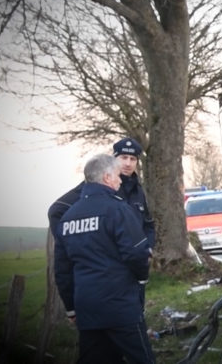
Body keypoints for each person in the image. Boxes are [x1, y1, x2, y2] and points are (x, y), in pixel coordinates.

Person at [53, 154, 155, 363]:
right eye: (117, 176)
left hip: (87, 308)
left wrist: (71, 307)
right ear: (107, 177)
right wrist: (142, 278)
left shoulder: (68, 218)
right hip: (121, 306)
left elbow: (62, 270)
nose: (120, 180)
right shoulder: (118, 209)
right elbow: (136, 253)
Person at [113, 137, 156, 251]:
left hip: (138, 259)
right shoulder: (107, 187)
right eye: (124, 158)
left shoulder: (139, 190)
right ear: (115, 159)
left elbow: (148, 224)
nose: (128, 163)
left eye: (132, 159)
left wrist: (148, 248)